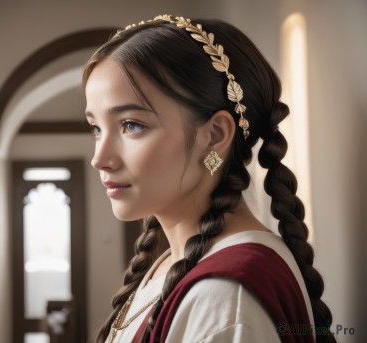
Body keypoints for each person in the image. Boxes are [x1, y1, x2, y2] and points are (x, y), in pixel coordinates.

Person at [83, 14, 335, 342]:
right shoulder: (175, 264)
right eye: (96, 129)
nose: (99, 159)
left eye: (132, 125)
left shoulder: (225, 297)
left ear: (215, 134)